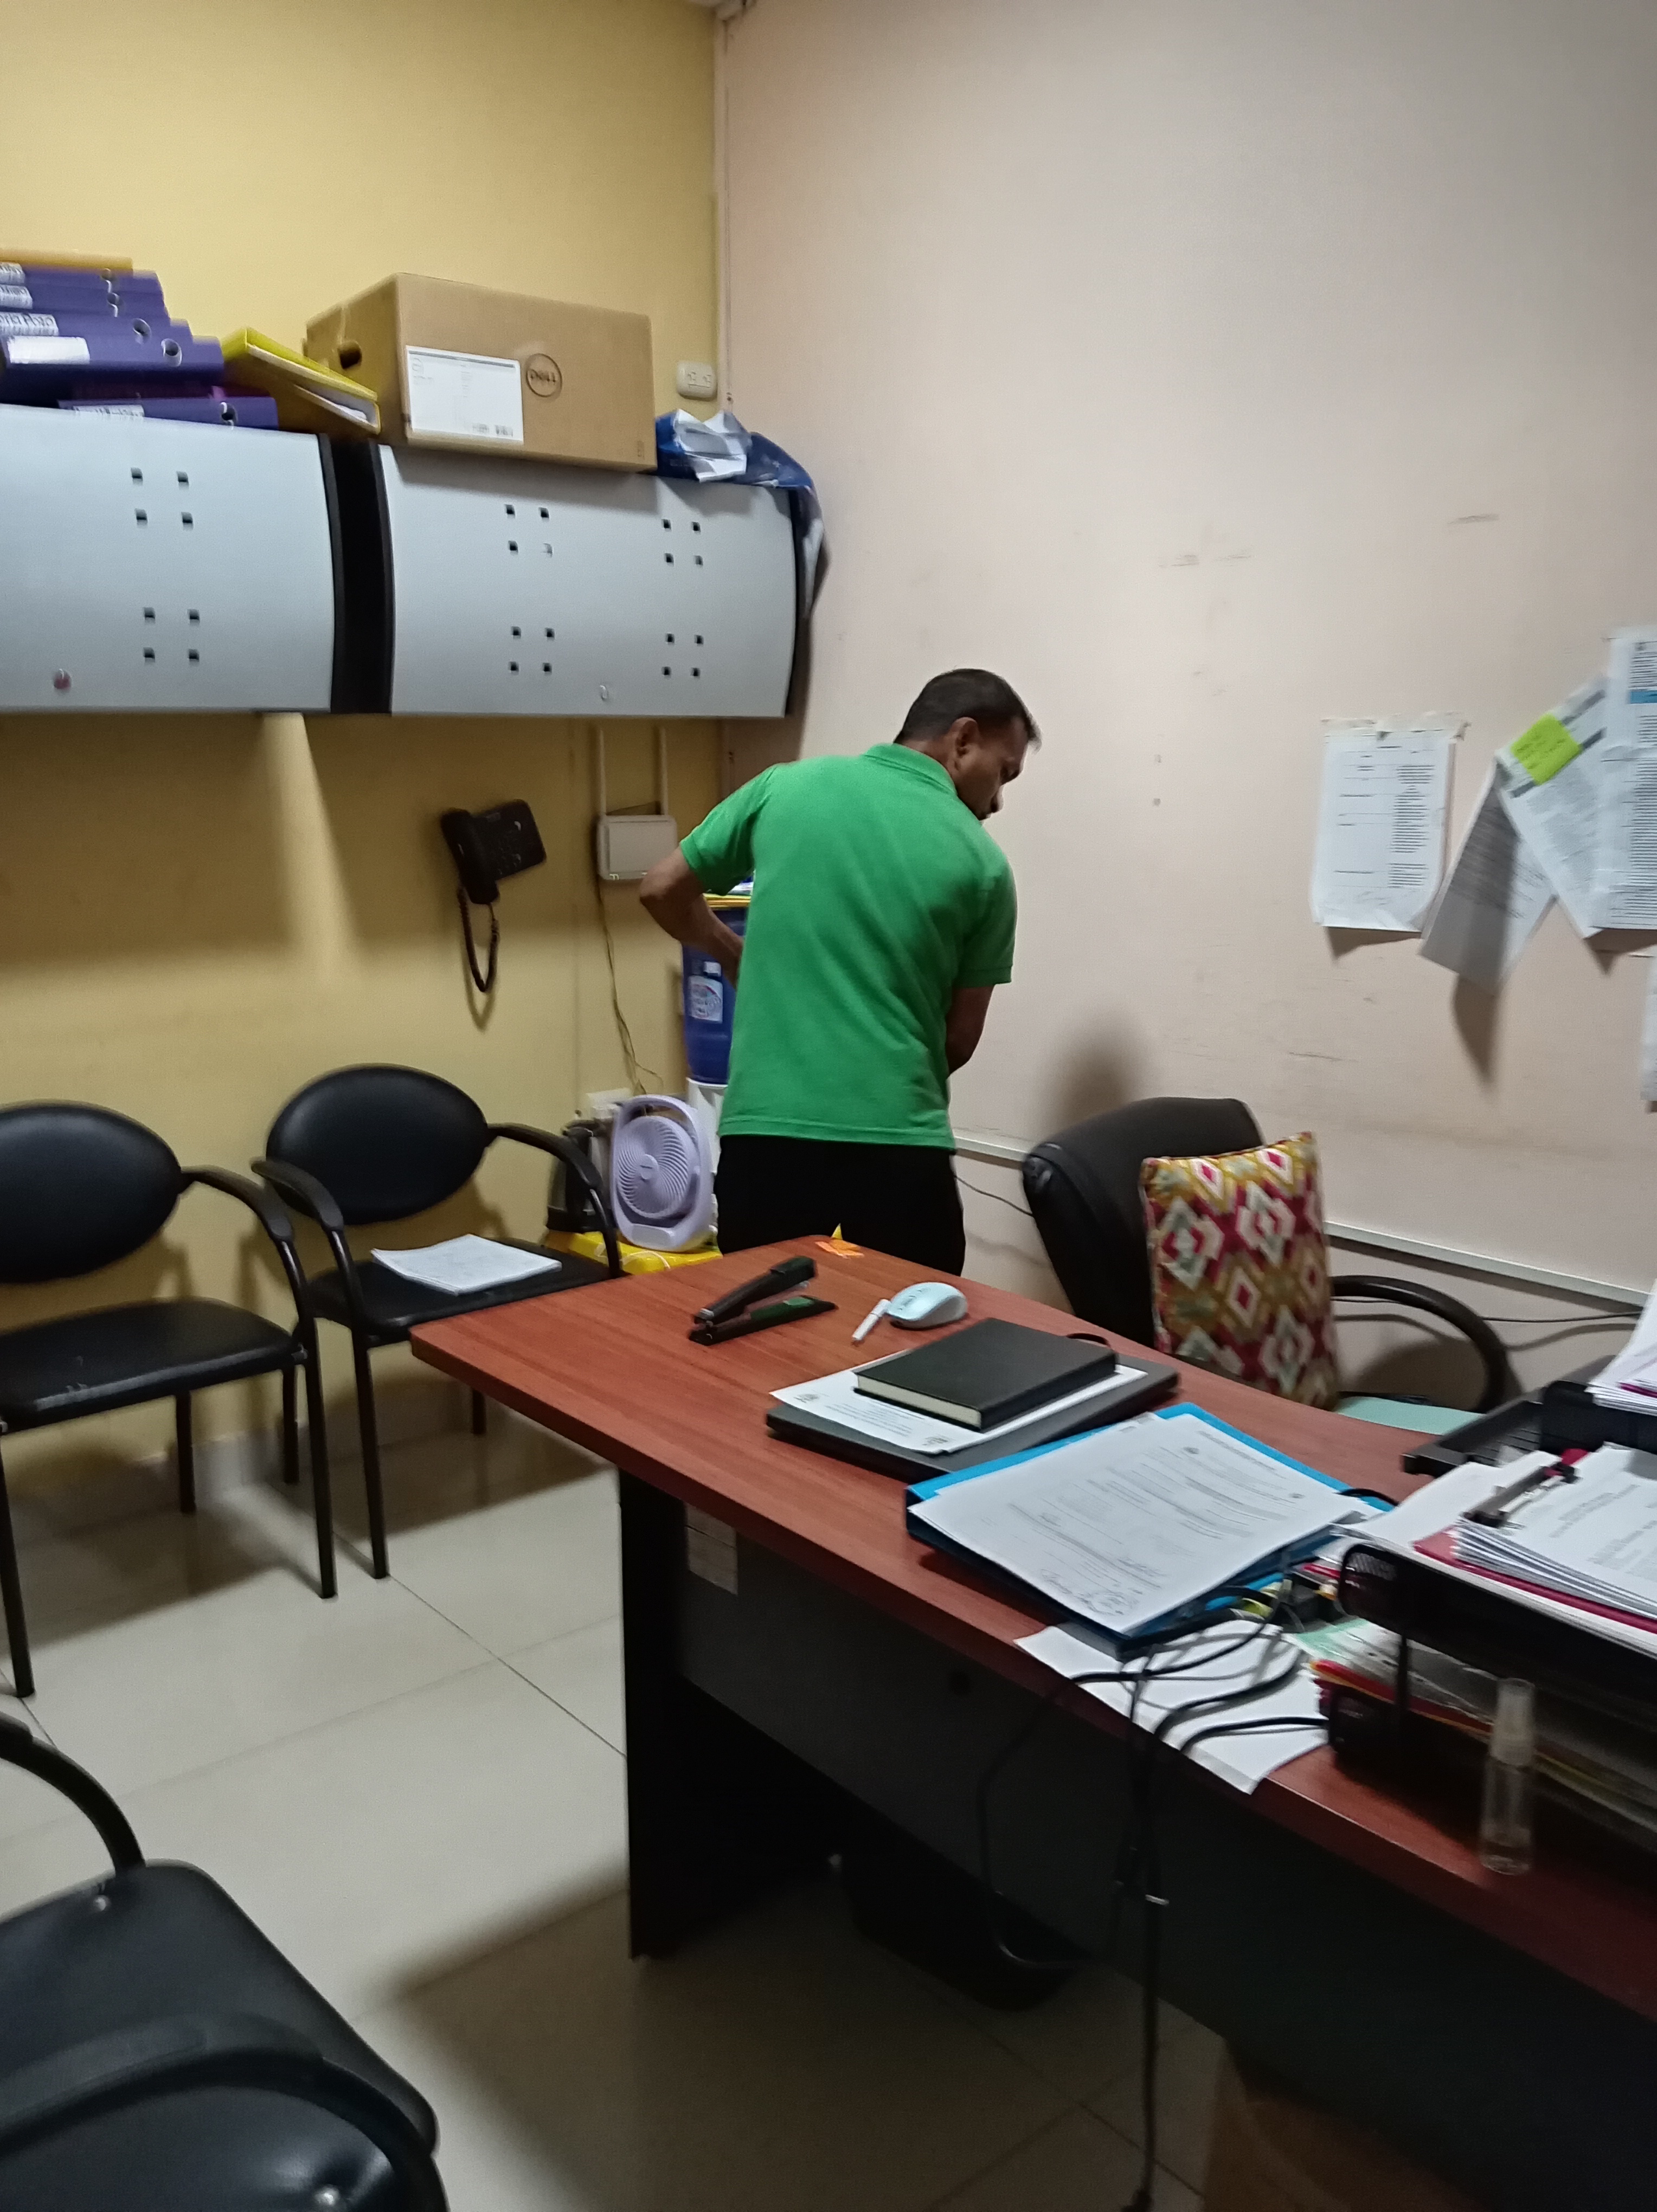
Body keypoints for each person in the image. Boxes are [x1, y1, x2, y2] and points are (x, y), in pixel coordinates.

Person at [639, 667, 1034, 1271]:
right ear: (963, 740)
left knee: (762, 1318)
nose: (998, 800)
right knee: (911, 1323)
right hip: (900, 1145)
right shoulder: (984, 864)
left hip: (767, 1135)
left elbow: (661, 888)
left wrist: (728, 951)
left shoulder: (785, 787)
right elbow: (958, 1039)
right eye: (1003, 772)